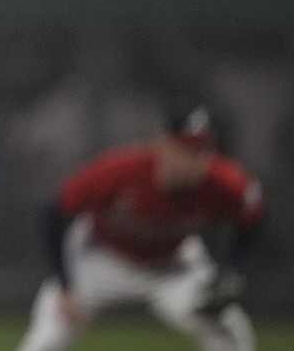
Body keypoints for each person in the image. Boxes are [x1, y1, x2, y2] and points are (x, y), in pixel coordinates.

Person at [15, 99, 264, 351]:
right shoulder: (118, 170)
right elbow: (53, 214)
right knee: (47, 338)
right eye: (187, 150)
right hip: (100, 256)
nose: (196, 160)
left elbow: (253, 216)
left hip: (173, 263)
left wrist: (234, 268)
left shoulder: (226, 182)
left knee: (231, 333)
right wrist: (65, 284)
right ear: (163, 145)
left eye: (203, 150)